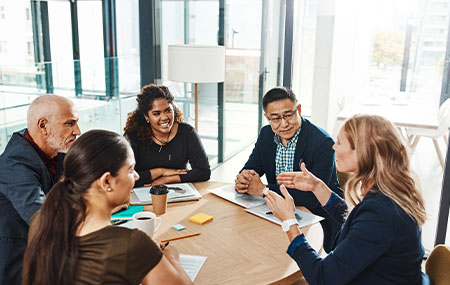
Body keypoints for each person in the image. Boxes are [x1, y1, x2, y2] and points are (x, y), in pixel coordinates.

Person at [266, 115, 427, 284]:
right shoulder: (390, 192)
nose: (334, 146)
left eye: (340, 142)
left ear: (363, 152)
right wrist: (317, 187)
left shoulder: (381, 214)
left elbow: (323, 278)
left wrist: (289, 222)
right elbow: (358, 221)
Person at [23, 130, 192, 285]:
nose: (137, 176)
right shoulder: (132, 245)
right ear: (107, 181)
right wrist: (172, 259)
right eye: (131, 170)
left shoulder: (41, 220)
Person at [235, 87, 341, 252]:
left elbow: (312, 197)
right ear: (267, 118)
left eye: (288, 115)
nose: (283, 124)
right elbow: (252, 168)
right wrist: (244, 179)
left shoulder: (323, 142)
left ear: (298, 109)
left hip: (316, 218)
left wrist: (263, 190)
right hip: (276, 215)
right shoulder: (266, 134)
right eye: (275, 118)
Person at [0, 94, 80, 284]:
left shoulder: (57, 151)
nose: (77, 130)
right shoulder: (13, 164)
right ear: (43, 126)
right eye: (70, 123)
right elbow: (42, 217)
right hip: (20, 266)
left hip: (52, 255)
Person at [124, 84, 210, 187]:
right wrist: (160, 171)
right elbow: (124, 177)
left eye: (168, 110)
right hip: (141, 194)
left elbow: (203, 172)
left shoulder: (187, 132)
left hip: (178, 192)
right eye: (156, 113)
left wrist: (168, 179)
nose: (164, 117)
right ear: (146, 116)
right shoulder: (132, 136)